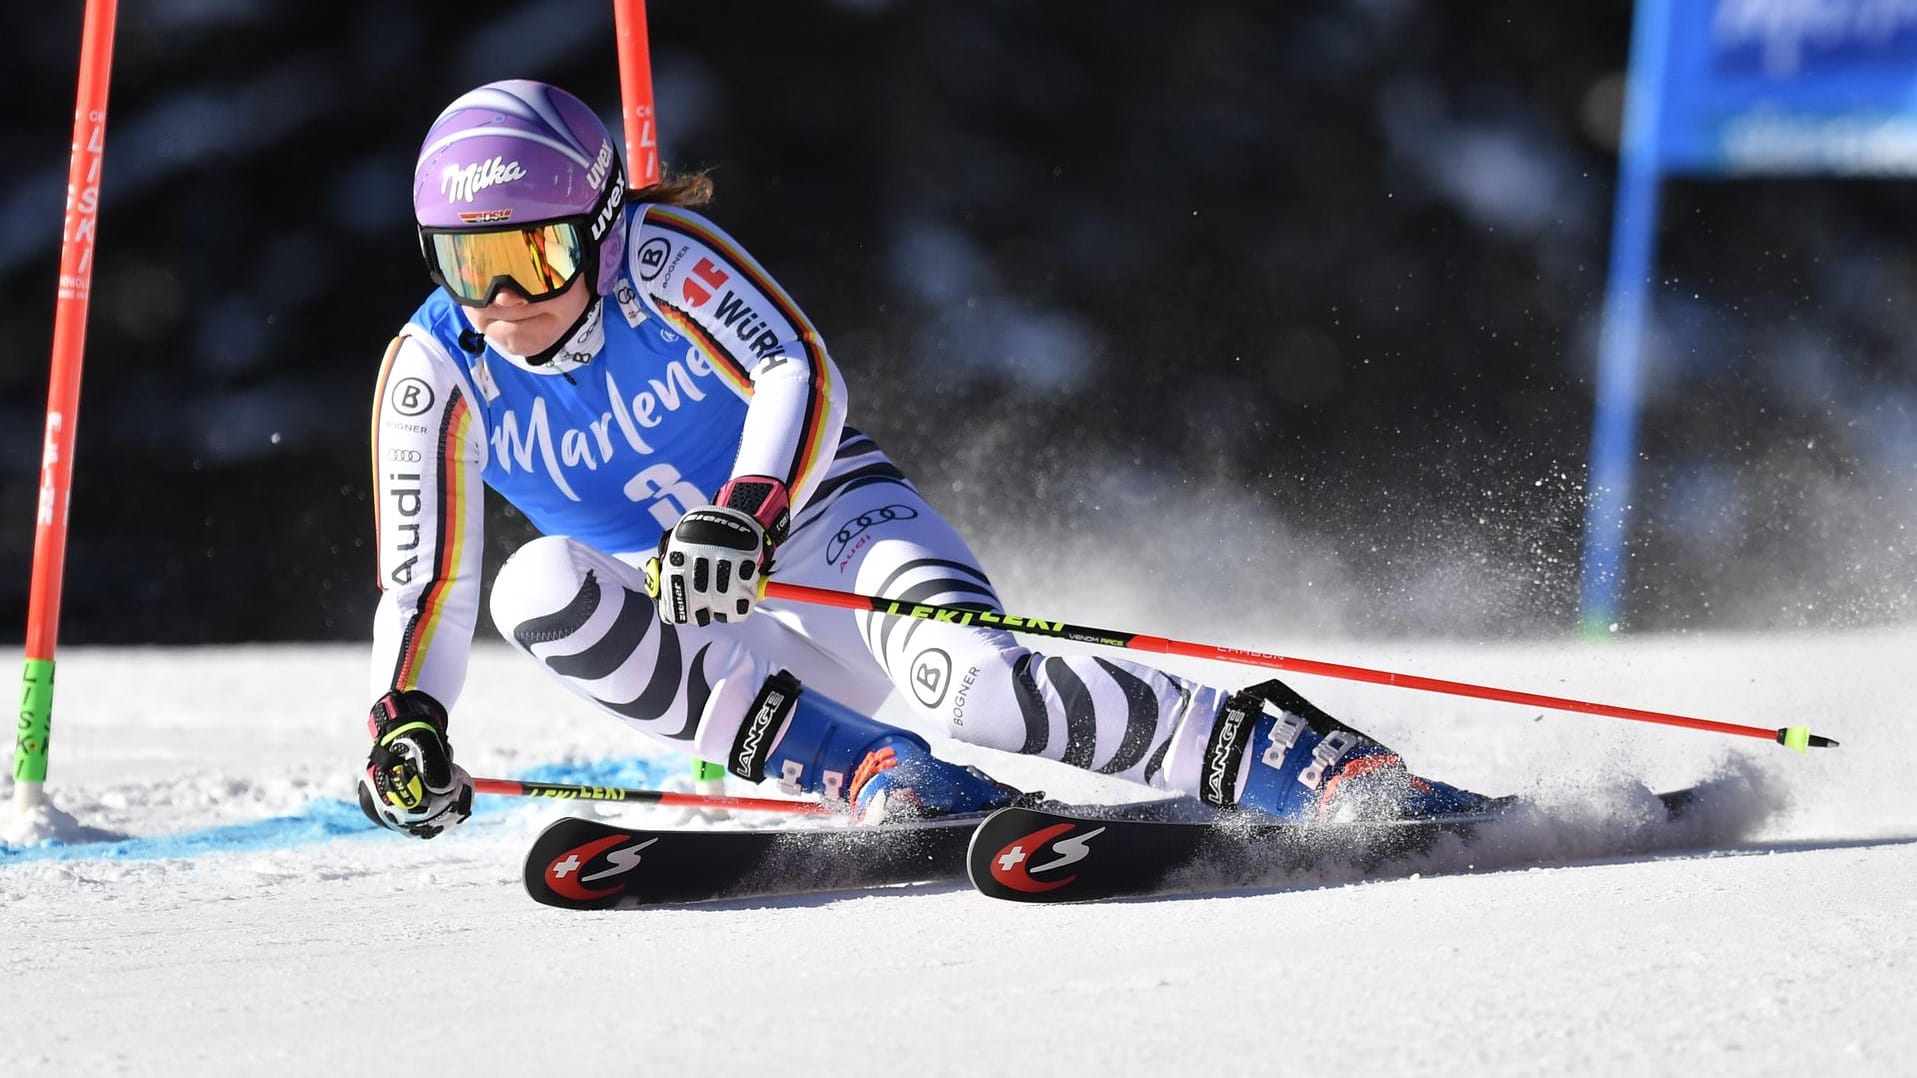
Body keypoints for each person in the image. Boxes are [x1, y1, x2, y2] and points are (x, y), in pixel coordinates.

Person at [357, 79, 1490, 838]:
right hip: (715, 628)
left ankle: (1307, 768)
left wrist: (749, 512)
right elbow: (427, 581)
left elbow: (800, 373)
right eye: (470, 264)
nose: (505, 300)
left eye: (534, 256)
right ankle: (878, 774)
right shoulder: (434, 373)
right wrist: (405, 717)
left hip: (821, 530)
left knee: (979, 685)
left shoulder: (665, 262)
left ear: (601, 230)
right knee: (531, 586)